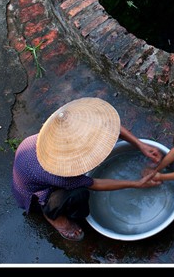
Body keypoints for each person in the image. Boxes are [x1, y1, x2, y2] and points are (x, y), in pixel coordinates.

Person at [11, 96, 162, 241]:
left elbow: (109, 125)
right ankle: (54, 216)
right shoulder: (57, 173)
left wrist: (140, 145)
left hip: (34, 174)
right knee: (79, 194)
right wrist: (136, 183)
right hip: (36, 195)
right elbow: (93, 183)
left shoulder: (64, 126)